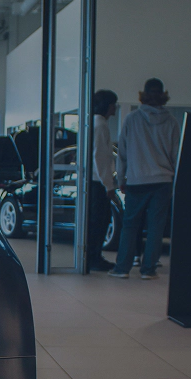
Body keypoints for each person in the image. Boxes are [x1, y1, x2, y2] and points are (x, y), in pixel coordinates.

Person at [109, 78, 180, 279]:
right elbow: (176, 155)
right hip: (163, 181)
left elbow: (122, 153)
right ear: (163, 95)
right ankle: (148, 270)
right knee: (156, 227)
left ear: (144, 95)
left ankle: (122, 268)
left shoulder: (131, 120)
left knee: (130, 225)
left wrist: (121, 178)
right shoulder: (172, 122)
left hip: (136, 180)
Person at [88, 89, 118, 271]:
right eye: (113, 104)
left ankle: (93, 256)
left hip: (94, 181)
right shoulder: (101, 125)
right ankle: (94, 257)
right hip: (98, 182)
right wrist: (108, 185)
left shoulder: (93, 123)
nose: (115, 108)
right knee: (99, 221)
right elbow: (100, 157)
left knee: (96, 221)